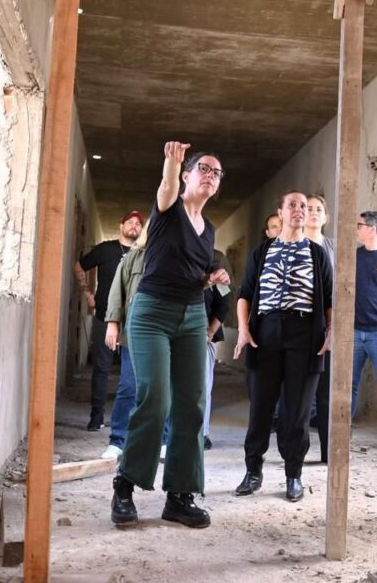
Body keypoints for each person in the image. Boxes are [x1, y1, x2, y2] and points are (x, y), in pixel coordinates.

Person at [109, 142, 230, 529]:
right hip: (151, 313)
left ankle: (180, 495)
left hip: (192, 315)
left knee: (193, 403)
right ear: (187, 176)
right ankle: (125, 485)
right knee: (155, 398)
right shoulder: (168, 208)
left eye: (216, 173)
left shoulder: (209, 230)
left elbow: (191, 271)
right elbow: (165, 187)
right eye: (204, 169)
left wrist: (210, 279)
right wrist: (170, 163)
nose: (210, 176)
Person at [233, 191, 333, 502]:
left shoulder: (317, 254)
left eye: (304, 206)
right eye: (293, 205)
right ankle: (253, 471)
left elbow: (329, 298)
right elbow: (245, 294)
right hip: (266, 333)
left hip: (305, 334)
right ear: (280, 212)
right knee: (261, 407)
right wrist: (243, 329)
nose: (300, 210)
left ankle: (294, 475)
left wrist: (331, 331)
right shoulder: (262, 251)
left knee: (298, 411)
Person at [75, 211, 144, 431]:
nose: (134, 226)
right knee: (101, 368)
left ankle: (129, 419)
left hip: (133, 321)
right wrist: (87, 293)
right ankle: (96, 417)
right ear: (121, 226)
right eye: (130, 222)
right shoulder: (105, 249)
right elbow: (79, 266)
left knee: (133, 372)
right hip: (105, 316)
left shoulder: (144, 254)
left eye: (138, 224)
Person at [100, 234, 148, 459]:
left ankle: (163, 440)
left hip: (167, 334)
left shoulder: (176, 255)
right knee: (129, 386)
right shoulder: (133, 257)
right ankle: (117, 441)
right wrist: (112, 323)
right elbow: (117, 290)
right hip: (134, 333)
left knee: (166, 388)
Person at [350, 210, 377, 435]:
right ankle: (343, 430)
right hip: (354, 331)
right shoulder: (354, 257)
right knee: (348, 384)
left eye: (359, 225)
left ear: (372, 229)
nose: (356, 229)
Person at [305, 193, 335, 463]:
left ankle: (327, 453)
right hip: (298, 328)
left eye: (318, 209)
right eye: (309, 208)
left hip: (329, 328)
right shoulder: (292, 244)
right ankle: (294, 453)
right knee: (298, 394)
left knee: (326, 396)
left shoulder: (335, 248)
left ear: (326, 217)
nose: (313, 212)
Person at [202, 253, 230, 449]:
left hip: (206, 337)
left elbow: (223, 306)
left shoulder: (216, 265)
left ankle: (202, 433)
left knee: (203, 385)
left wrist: (210, 332)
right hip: (176, 335)